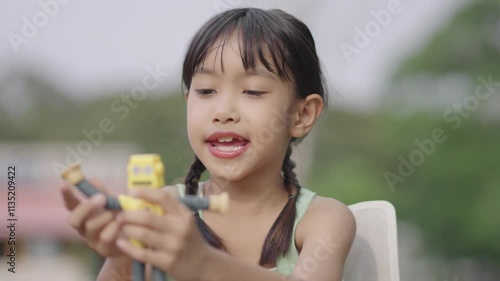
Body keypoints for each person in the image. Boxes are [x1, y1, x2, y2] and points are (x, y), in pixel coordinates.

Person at [60, 7, 356, 281]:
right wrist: (121, 255)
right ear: (188, 102)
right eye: (205, 90)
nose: (223, 112)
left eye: (252, 91)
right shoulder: (160, 210)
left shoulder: (324, 219)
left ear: (302, 114)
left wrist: (202, 262)